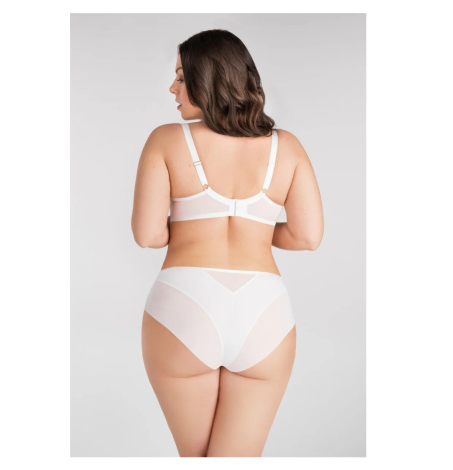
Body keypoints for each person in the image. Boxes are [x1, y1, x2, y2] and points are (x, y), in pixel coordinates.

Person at [131, 29, 324, 457]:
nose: (172, 88)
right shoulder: (286, 148)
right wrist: (257, 230)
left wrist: (190, 226)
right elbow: (308, 236)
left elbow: (148, 235)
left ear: (208, 78)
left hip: (184, 306)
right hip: (264, 312)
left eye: (181, 77)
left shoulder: (166, 139)